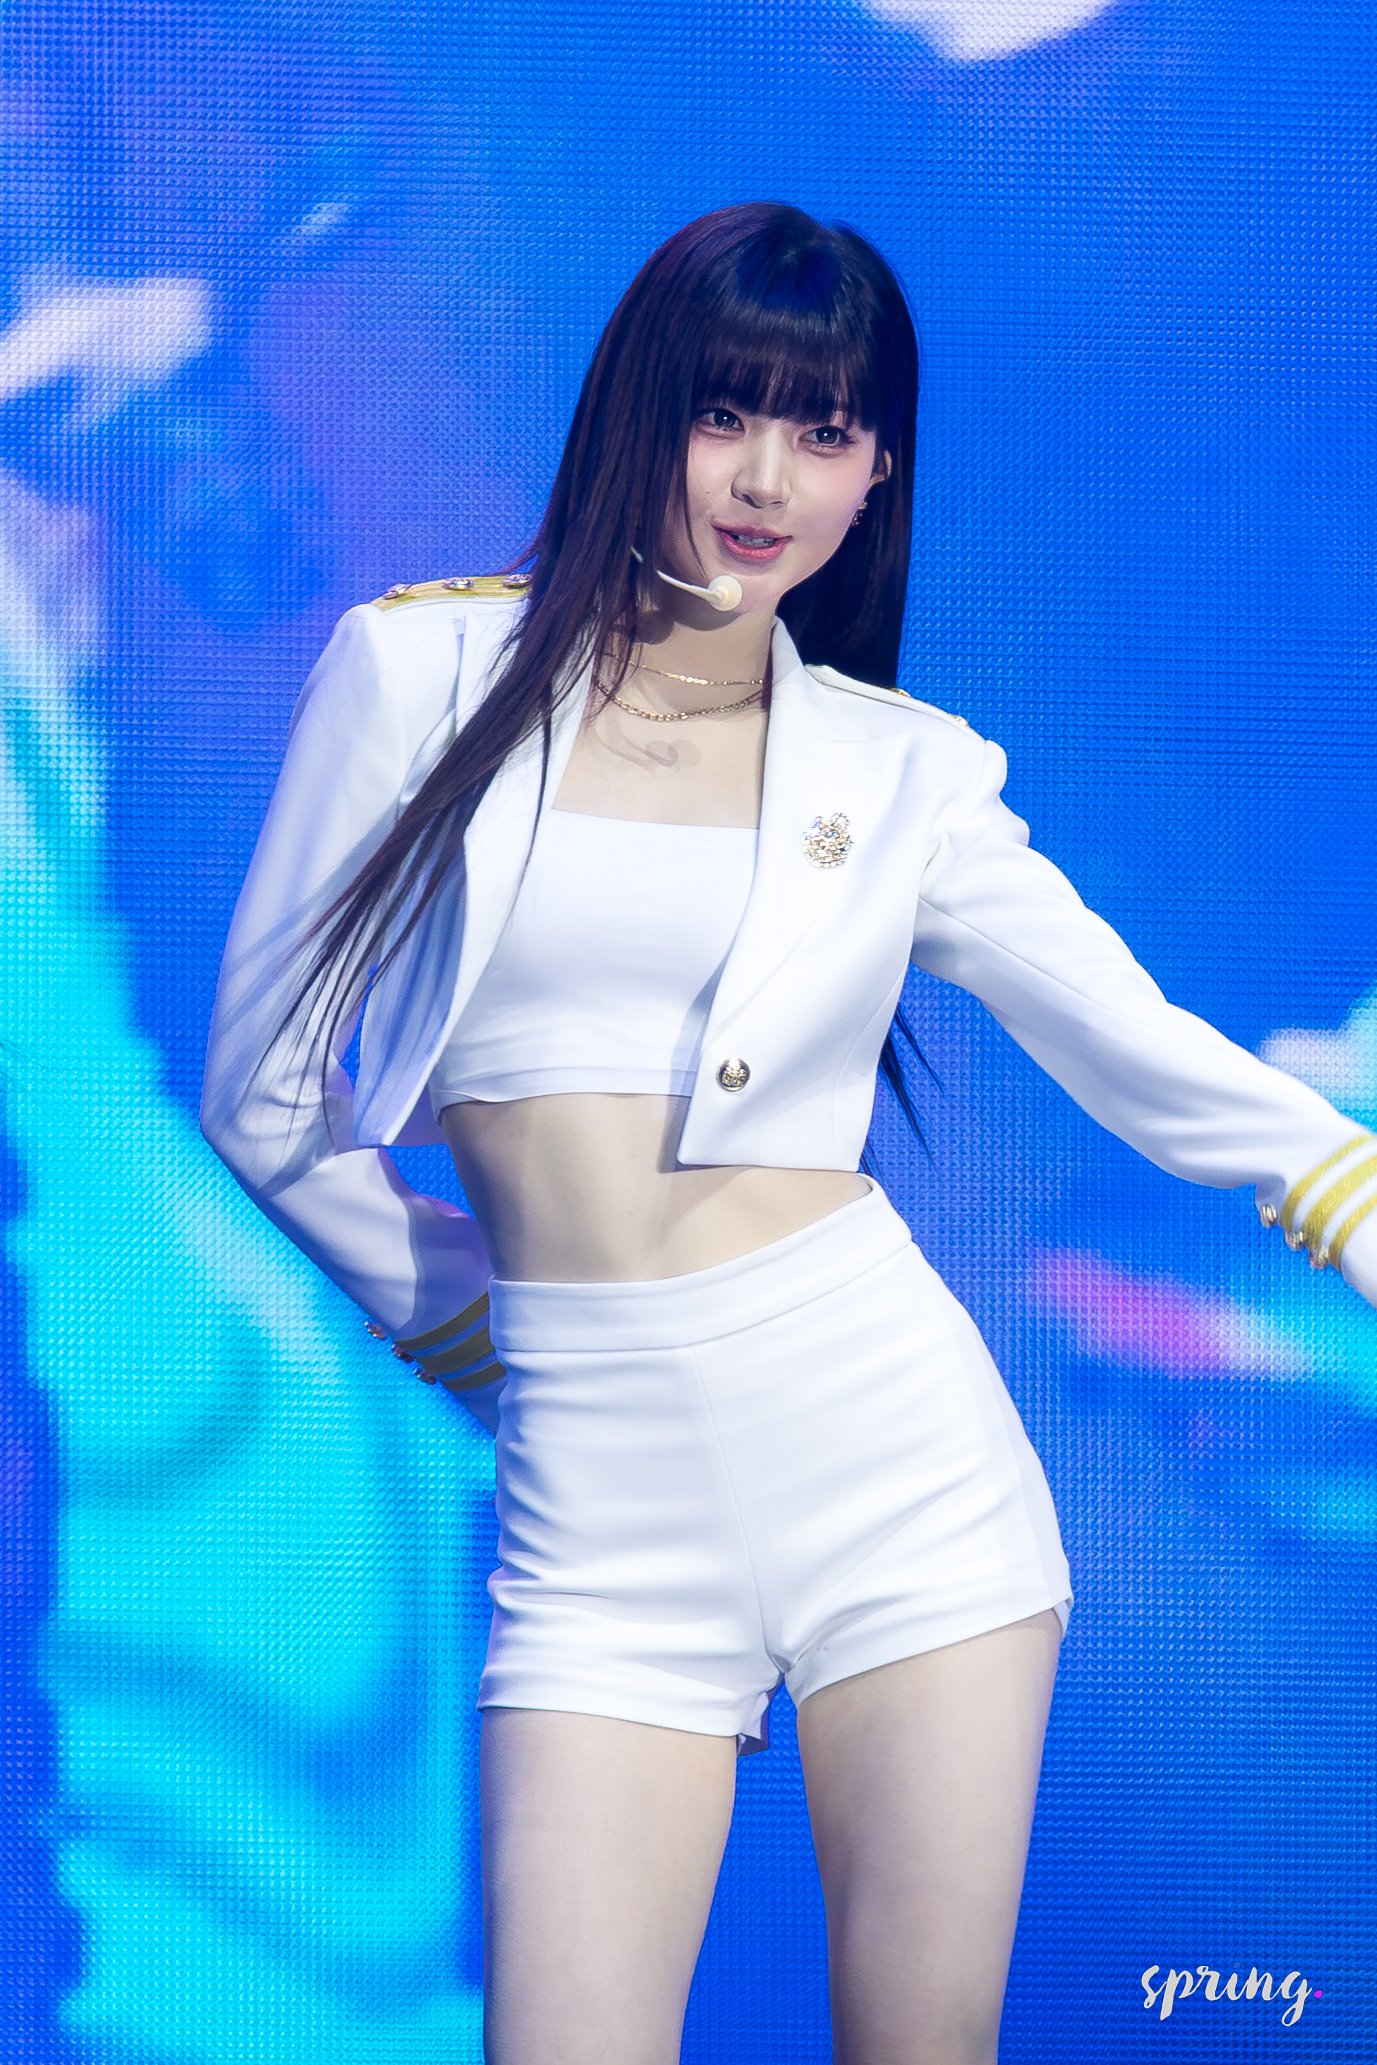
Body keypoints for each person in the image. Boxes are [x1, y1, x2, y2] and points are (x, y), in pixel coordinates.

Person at [200, 202, 1377, 2065]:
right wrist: (471, 1332)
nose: (766, 479)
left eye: (824, 432)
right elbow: (263, 1093)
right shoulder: (417, 673)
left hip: (895, 1469)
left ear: (876, 468)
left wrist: (1354, 1204)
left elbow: (1135, 1047)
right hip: (597, 1516)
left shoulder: (902, 770)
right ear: (638, 412)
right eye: (725, 413)